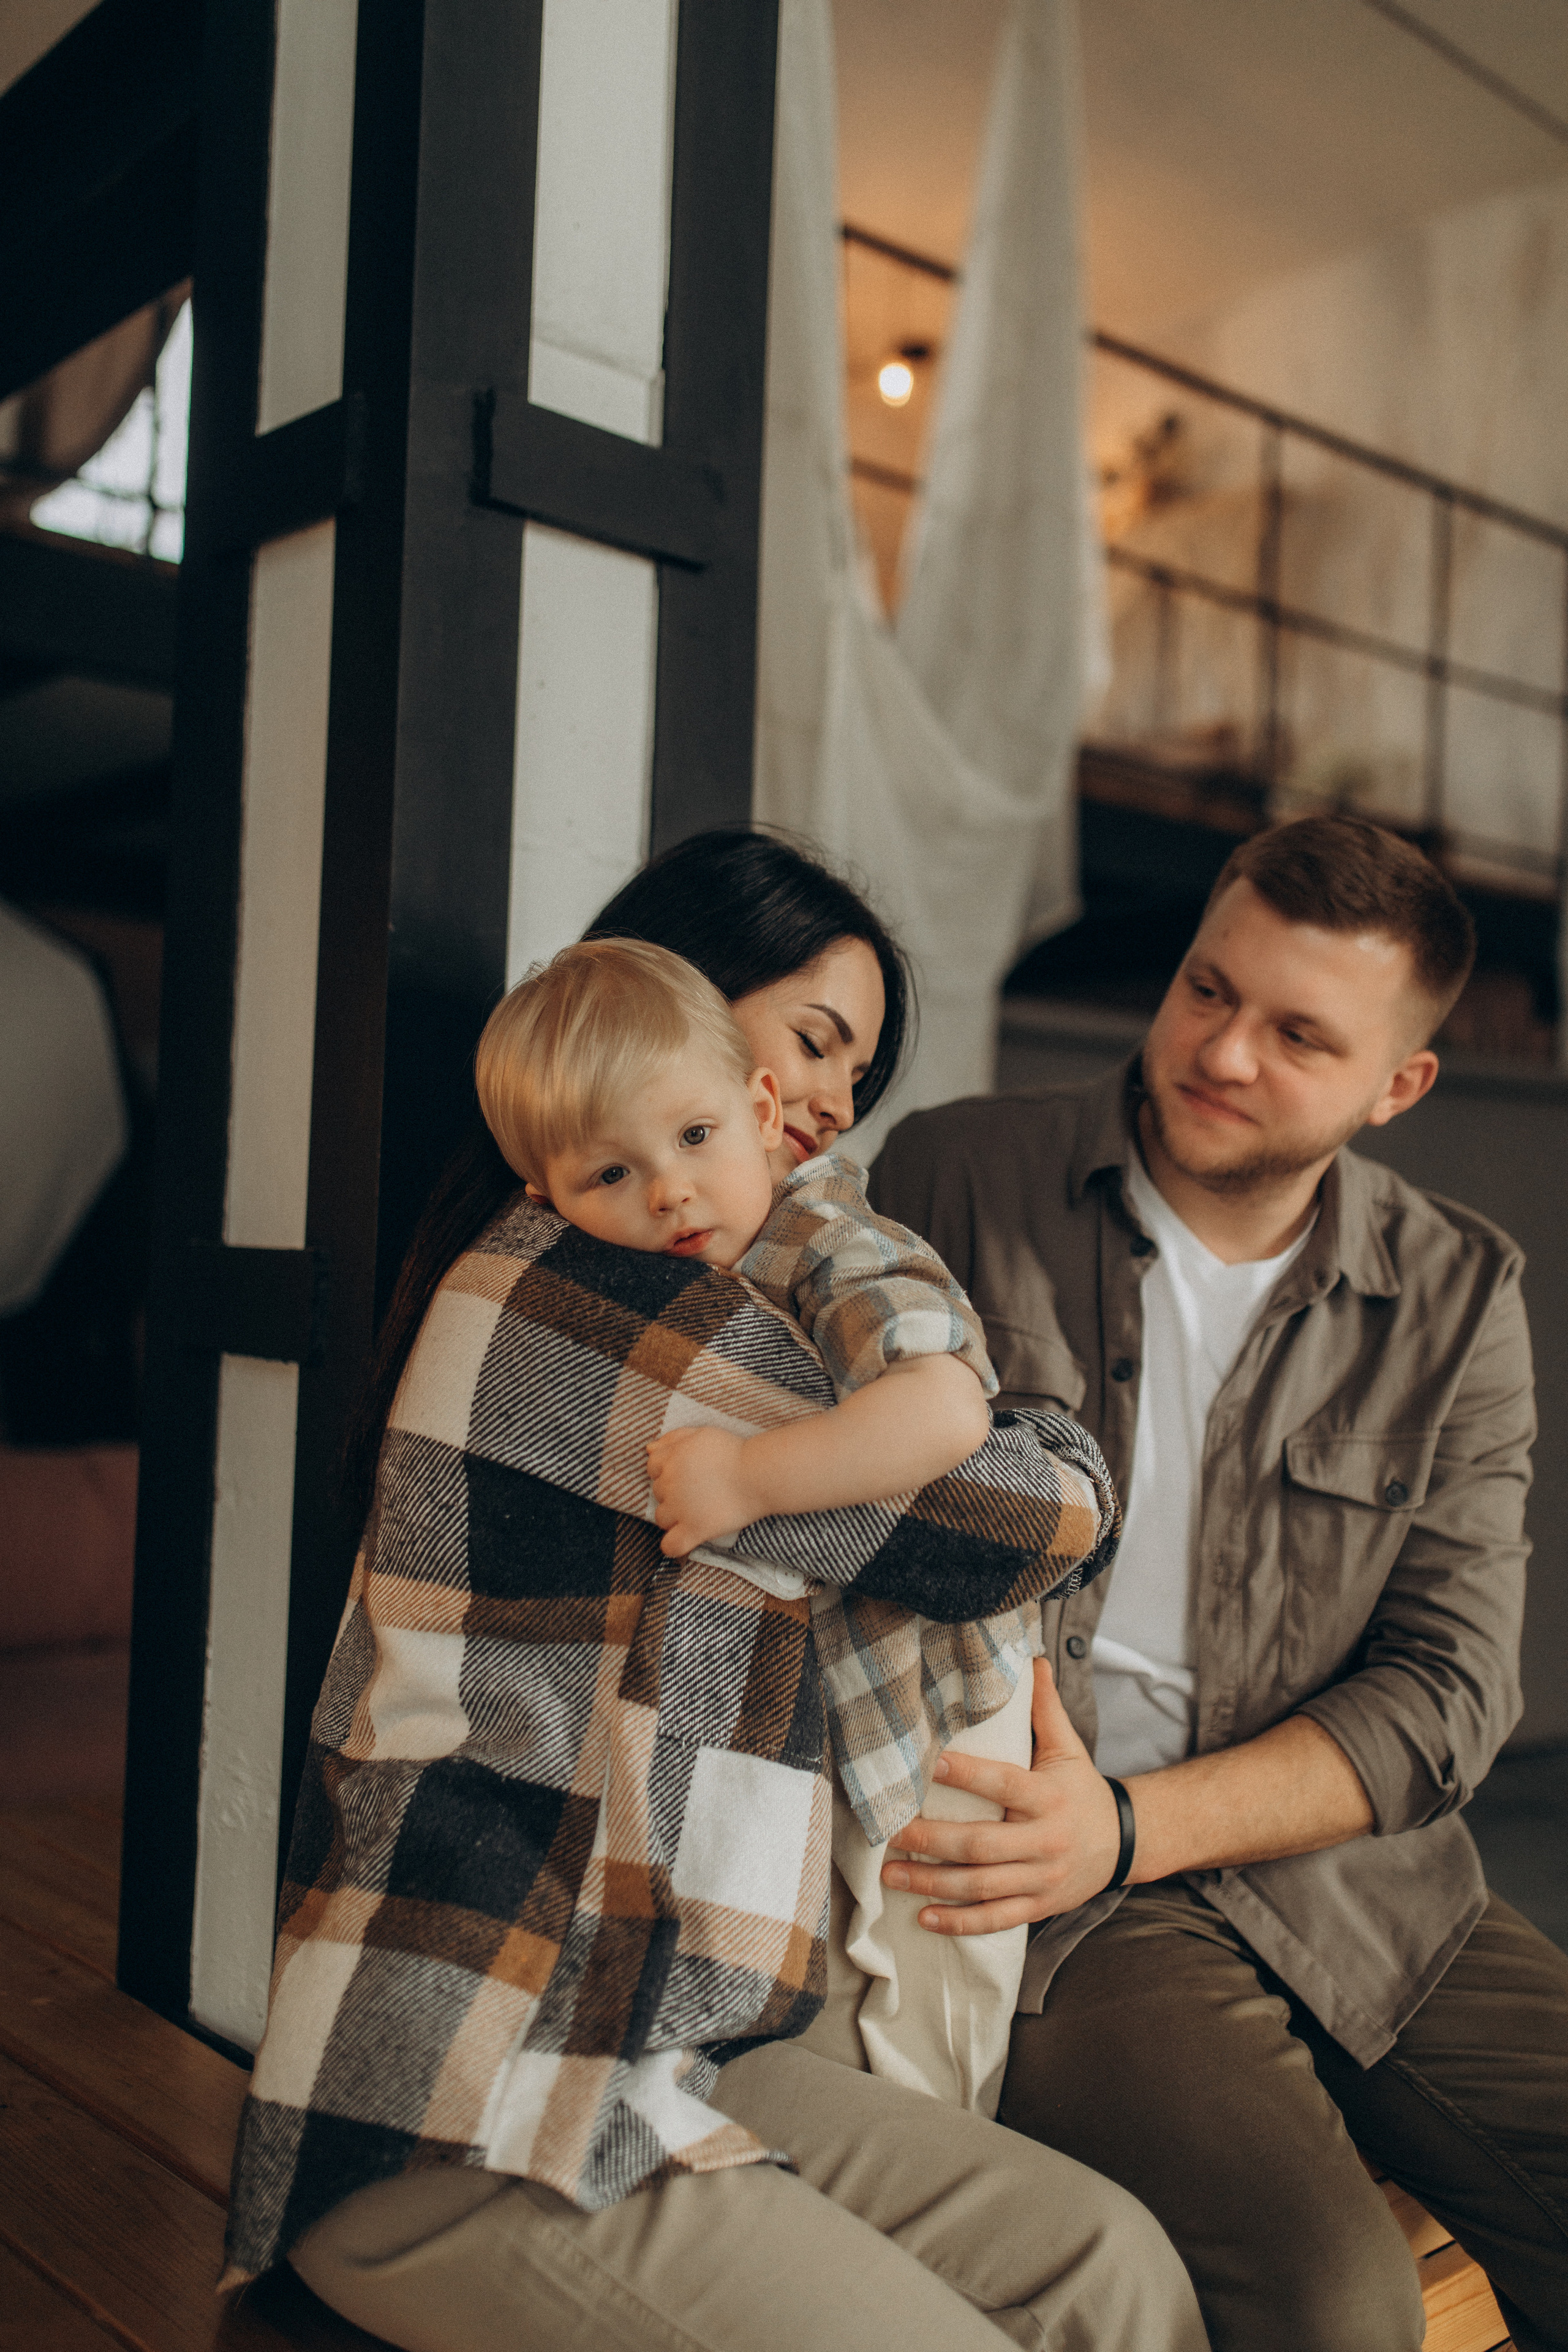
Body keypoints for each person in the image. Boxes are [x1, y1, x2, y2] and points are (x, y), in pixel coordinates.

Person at [225, 832, 1207, 2352]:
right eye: (809, 1038)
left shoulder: (726, 1279)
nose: (821, 1104)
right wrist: (986, 1418)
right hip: (459, 2079)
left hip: (656, 2031)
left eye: (853, 1077)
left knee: (1111, 2268)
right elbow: (1033, 1520)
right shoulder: (588, 1292)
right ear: (675, 1009)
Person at [870, 812, 1568, 2352]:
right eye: (1206, 989)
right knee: (1334, 2306)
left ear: (1397, 1089)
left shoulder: (1457, 1297)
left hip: (1348, 1877)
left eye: (1297, 1034)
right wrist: (1074, 1834)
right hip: (1052, 1890)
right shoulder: (959, 1174)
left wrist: (1137, 1825)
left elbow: (1451, 1693)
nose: (1222, 1051)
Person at [475, 935, 1087, 2119]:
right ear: (544, 1200)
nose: (668, 1192)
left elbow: (945, 1407)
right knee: (839, 2020)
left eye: (695, 1139)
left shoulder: (831, 1242)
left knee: (933, 2014)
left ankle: (956, 2223)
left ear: (753, 1110)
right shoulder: (590, 1284)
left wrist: (753, 1477)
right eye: (613, 1175)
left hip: (933, 1712)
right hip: (814, 1717)